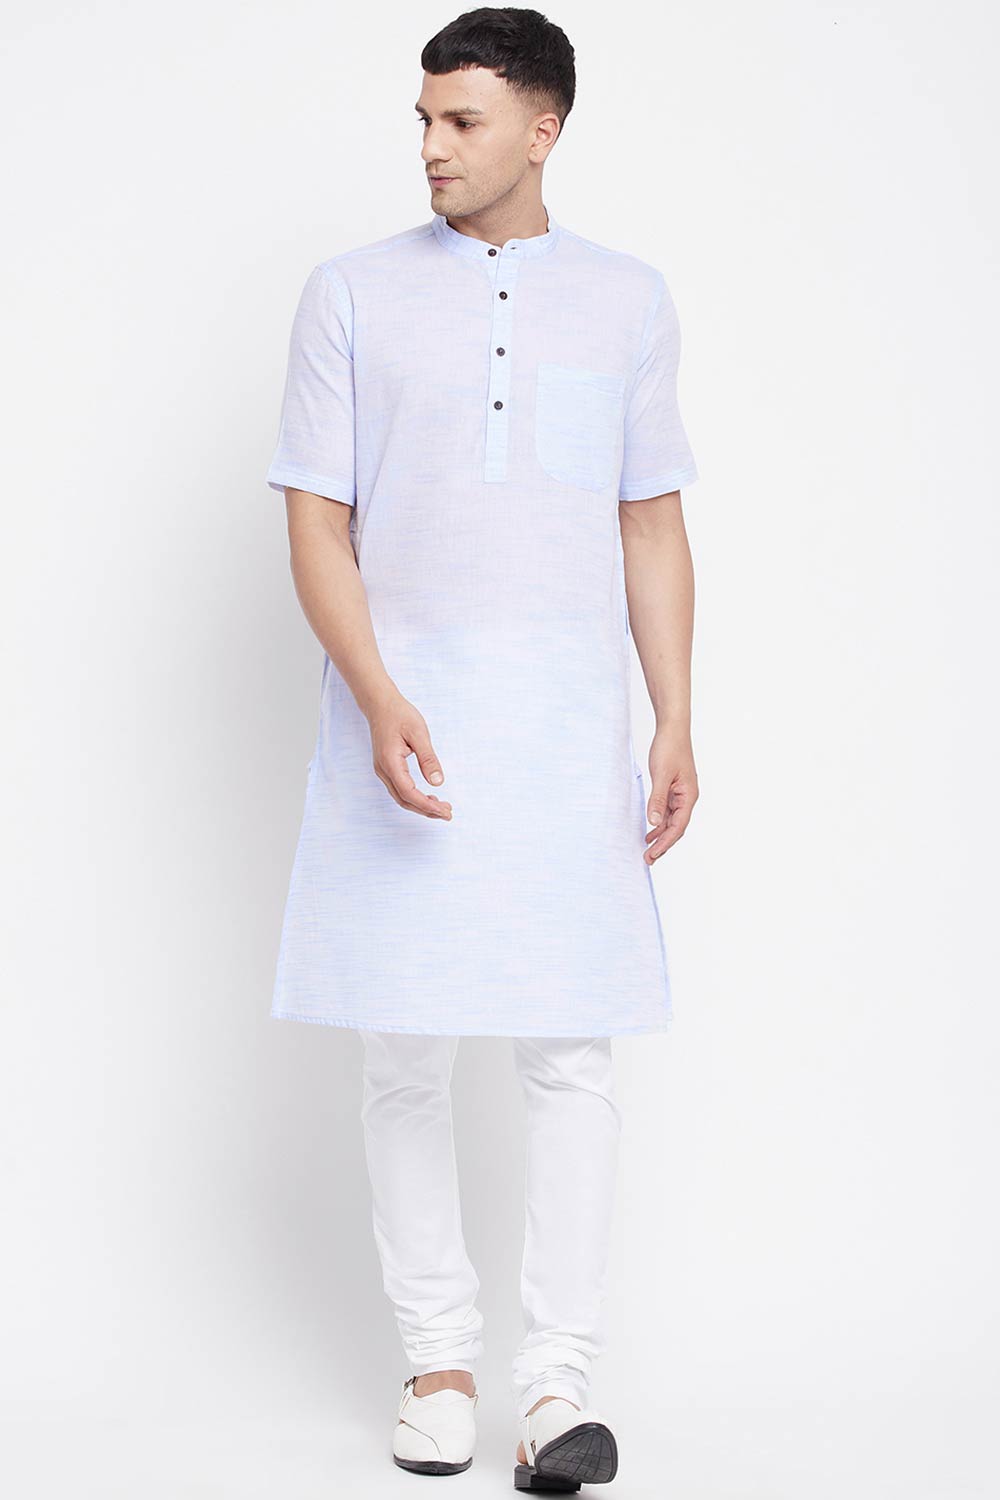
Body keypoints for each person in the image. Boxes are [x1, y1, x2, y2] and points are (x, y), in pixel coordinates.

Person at [264, 8, 700, 1489]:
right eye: (424, 120)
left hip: (568, 728)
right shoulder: (352, 293)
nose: (433, 148)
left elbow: (650, 521)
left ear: (542, 127)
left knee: (570, 1052)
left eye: (462, 121)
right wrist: (378, 691)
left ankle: (555, 1389)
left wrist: (674, 713)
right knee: (405, 1044)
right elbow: (317, 519)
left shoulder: (629, 300)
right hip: (404, 721)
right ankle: (438, 1364)